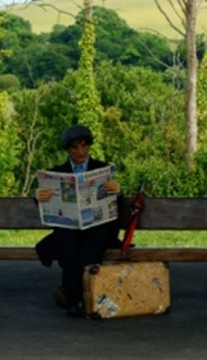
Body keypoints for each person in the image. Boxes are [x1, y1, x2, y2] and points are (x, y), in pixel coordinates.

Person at [34, 124, 122, 317]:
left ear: (89, 146)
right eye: (74, 147)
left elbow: (117, 206)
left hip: (98, 229)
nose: (80, 151)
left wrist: (118, 191)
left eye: (84, 146)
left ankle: (71, 296)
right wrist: (38, 195)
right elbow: (46, 205)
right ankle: (80, 298)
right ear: (68, 150)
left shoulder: (102, 169)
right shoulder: (58, 172)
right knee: (68, 241)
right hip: (71, 229)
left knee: (88, 244)